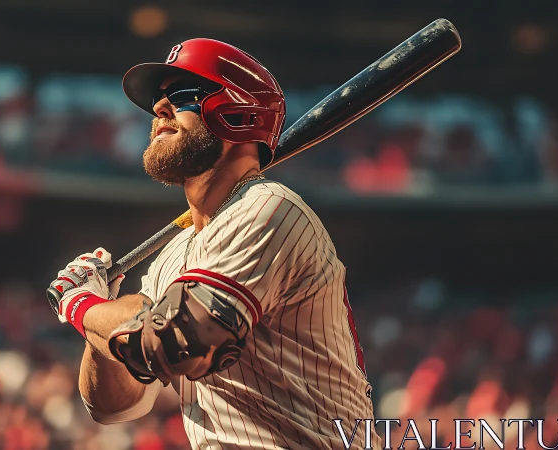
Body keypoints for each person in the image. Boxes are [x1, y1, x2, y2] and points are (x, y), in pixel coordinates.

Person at [49, 38, 378, 450]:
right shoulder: (173, 256)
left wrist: (80, 305)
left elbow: (176, 343)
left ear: (238, 113)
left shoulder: (269, 209)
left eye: (181, 95)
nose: (159, 109)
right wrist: (100, 315)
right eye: (158, 99)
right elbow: (114, 406)